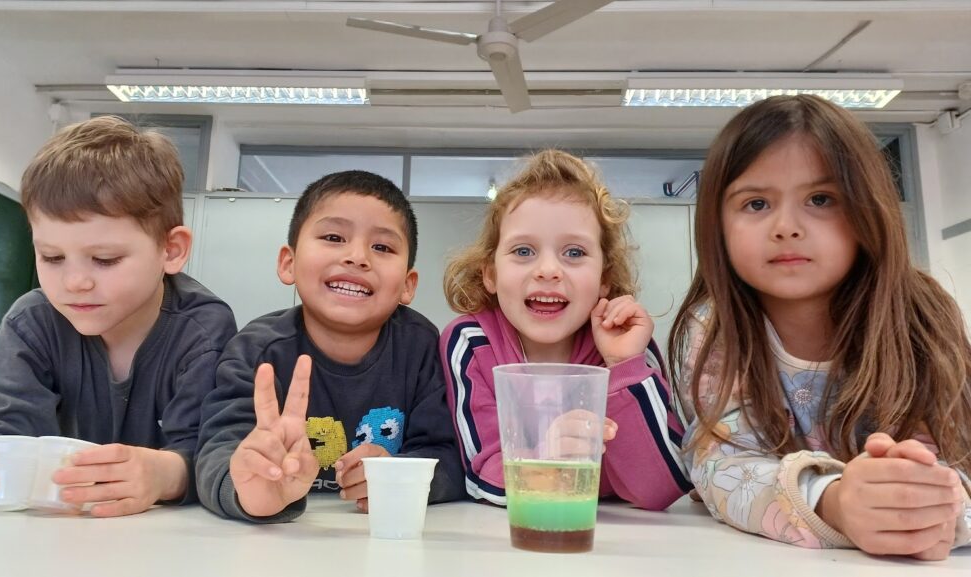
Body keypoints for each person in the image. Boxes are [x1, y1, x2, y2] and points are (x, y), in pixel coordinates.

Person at [669, 94, 971, 560]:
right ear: (716, 226)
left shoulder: (922, 317)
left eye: (821, 199)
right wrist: (835, 502)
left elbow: (954, 459)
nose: (786, 227)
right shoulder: (713, 329)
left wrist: (937, 511)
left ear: (868, 208)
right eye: (755, 203)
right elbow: (722, 464)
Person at [0, 115, 237, 517]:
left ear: (171, 250)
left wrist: (166, 474)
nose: (75, 282)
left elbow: (212, 453)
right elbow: (8, 432)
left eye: (105, 259)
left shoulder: (203, 329)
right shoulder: (30, 323)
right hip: (57, 531)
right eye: (52, 257)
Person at [195, 170, 465, 522]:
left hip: (386, 533)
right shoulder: (257, 350)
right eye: (334, 237)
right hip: (284, 538)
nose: (357, 257)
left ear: (407, 285)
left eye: (382, 247)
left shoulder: (423, 349)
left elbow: (453, 456)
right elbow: (217, 450)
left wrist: (403, 474)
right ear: (288, 263)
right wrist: (251, 491)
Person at [440, 149, 691, 509]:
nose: (548, 270)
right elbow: (482, 475)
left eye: (574, 253)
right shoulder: (471, 343)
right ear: (490, 274)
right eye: (523, 251)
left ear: (604, 279)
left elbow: (662, 487)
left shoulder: (627, 345)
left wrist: (624, 367)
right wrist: (548, 461)